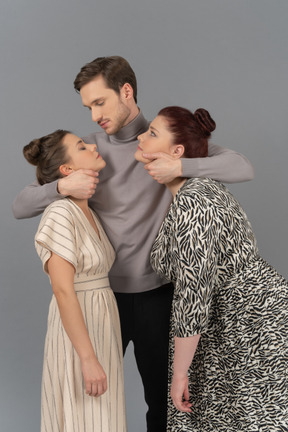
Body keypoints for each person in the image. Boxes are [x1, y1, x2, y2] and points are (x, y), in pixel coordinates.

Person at [13, 56, 255, 432]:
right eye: (87, 107)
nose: (94, 116)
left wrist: (181, 167)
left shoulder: (159, 144)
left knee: (163, 403)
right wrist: (61, 187)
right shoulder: (88, 152)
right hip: (102, 299)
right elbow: (19, 205)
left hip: (158, 297)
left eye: (100, 102)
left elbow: (242, 167)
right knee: (90, 400)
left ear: (126, 92)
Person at [135, 106, 288, 431]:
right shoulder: (197, 190)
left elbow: (193, 295)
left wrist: (178, 373)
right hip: (233, 322)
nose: (140, 136)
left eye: (151, 133)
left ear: (176, 152)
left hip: (248, 327)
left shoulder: (195, 201)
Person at [23, 130, 127, 432]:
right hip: (78, 333)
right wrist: (87, 357)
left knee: (103, 418)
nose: (93, 145)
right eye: (82, 146)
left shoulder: (88, 212)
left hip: (101, 326)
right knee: (82, 418)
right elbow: (63, 290)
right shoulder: (60, 214)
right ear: (67, 170)